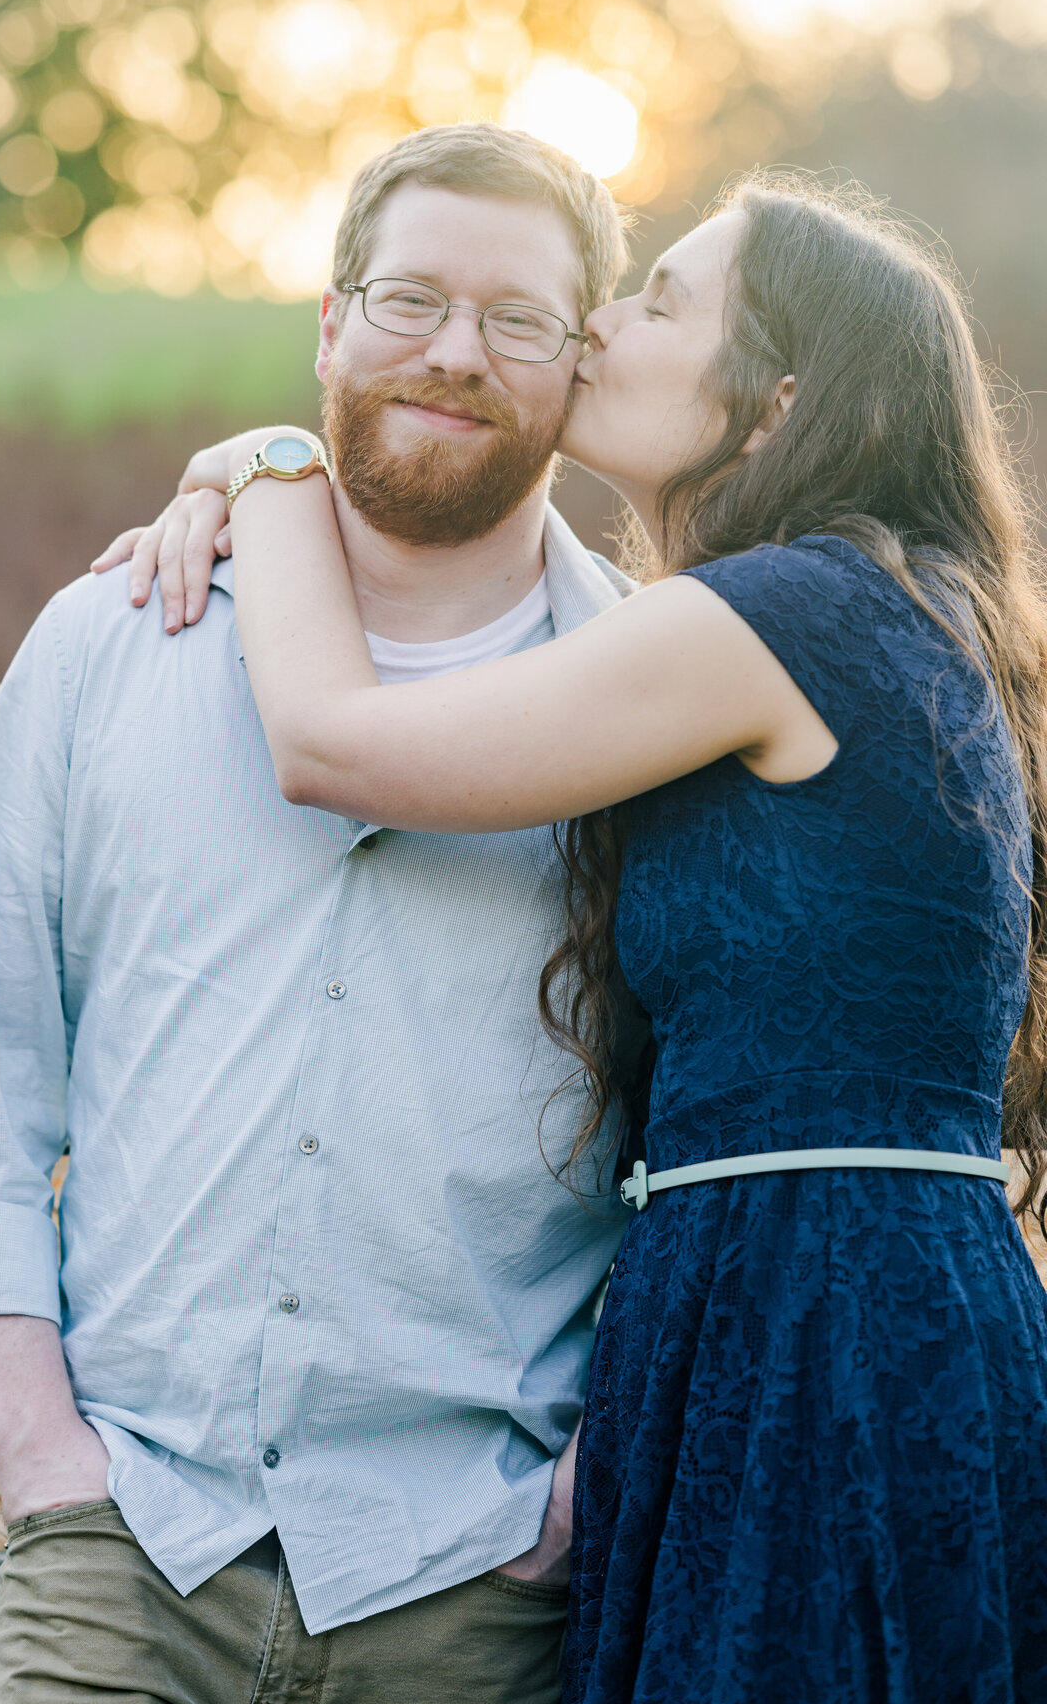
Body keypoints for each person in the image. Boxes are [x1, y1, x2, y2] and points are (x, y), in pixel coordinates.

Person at [119, 173, 1047, 1701]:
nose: (606, 324)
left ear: (776, 403)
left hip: (821, 1323)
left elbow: (337, 743)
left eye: (664, 301)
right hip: (820, 1294)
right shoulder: (882, 607)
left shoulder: (776, 617)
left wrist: (280, 464)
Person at [0, 123, 644, 1704]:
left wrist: (581, 1488)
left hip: (475, 1582)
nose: (455, 353)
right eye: (410, 298)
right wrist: (44, 1456)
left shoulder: (648, 710)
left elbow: (706, 1133)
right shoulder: (108, 646)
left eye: (517, 321)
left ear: (581, 365)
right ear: (326, 321)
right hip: (126, 1553)